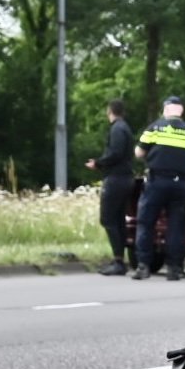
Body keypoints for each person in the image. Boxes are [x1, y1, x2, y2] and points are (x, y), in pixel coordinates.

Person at [132, 95, 185, 280]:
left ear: (165, 109)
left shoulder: (155, 127)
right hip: (180, 184)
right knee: (177, 227)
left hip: (156, 182)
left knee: (146, 223)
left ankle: (143, 266)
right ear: (181, 111)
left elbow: (139, 152)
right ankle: (174, 269)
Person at [84, 99, 135, 275]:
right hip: (125, 178)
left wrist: (98, 163)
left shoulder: (117, 129)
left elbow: (115, 153)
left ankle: (118, 260)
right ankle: (120, 258)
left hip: (116, 179)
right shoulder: (125, 128)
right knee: (119, 219)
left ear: (110, 111)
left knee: (108, 219)